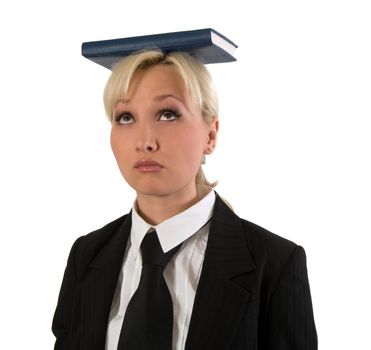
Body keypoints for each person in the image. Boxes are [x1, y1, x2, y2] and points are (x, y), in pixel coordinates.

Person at [52, 50, 317, 350]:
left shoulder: (275, 265)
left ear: (211, 135)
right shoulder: (86, 257)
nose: (145, 142)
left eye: (168, 114)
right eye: (125, 117)